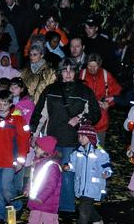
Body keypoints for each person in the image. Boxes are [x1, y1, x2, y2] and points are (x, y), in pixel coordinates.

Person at [30, 58, 101, 213]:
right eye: (65, 70)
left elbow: (95, 113)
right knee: (49, 173)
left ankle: (66, 208)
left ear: (75, 72)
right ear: (60, 72)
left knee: (67, 173)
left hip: (72, 139)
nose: (68, 73)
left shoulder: (84, 91)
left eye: (71, 70)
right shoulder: (50, 90)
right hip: (52, 139)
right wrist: (34, 134)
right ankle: (49, 204)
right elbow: (40, 114)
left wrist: (80, 118)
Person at [0, 93, 30, 224]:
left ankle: (17, 207)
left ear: (10, 104)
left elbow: (24, 140)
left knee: (6, 188)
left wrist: (20, 160)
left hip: (9, 162)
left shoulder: (17, 119)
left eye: (5, 104)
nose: (2, 107)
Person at [15, 135, 65, 224]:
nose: (35, 149)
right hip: (36, 201)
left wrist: (41, 198)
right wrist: (28, 190)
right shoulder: (37, 163)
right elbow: (33, 180)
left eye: (37, 147)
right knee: (33, 222)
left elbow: (51, 186)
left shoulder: (53, 166)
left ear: (45, 150)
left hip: (47, 202)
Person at [70, 124, 112, 224]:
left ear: (90, 137)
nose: (80, 139)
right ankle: (97, 220)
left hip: (93, 185)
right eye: (79, 136)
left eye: (83, 136)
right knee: (85, 206)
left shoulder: (99, 153)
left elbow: (106, 166)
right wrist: (68, 166)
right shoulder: (77, 152)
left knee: (84, 206)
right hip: (81, 185)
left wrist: (106, 172)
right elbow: (73, 164)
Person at [80, 53, 122, 146]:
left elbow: (116, 91)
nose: (92, 69)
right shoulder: (81, 74)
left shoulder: (106, 75)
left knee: (98, 147)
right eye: (89, 66)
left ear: (99, 65)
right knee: (82, 147)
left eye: (95, 67)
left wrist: (108, 103)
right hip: (84, 117)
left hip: (101, 119)